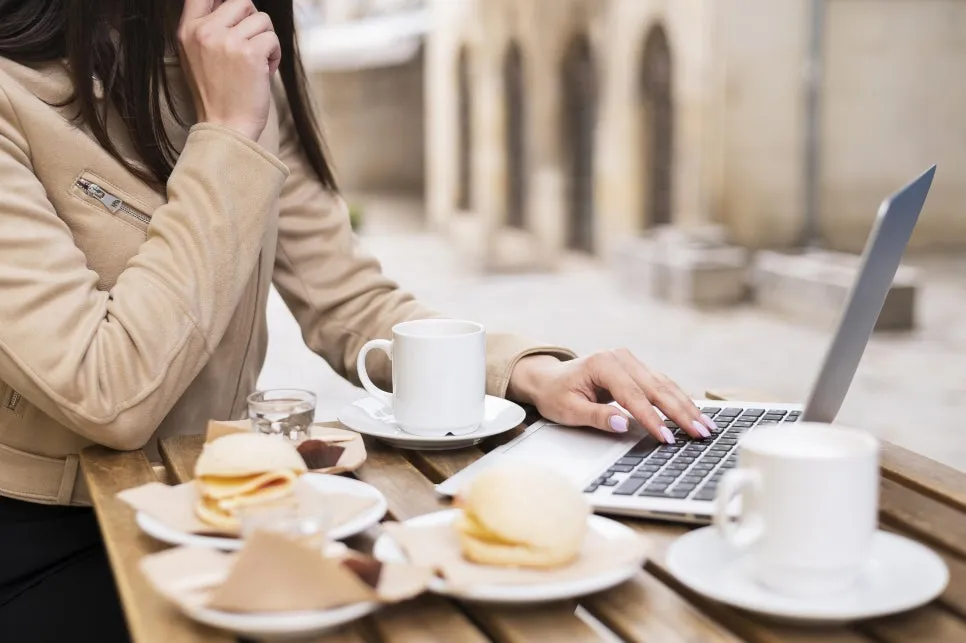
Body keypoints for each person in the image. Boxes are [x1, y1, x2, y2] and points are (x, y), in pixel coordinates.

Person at [0, 0, 715, 640]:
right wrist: (227, 133)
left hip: (224, 507)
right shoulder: (25, 94)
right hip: (52, 532)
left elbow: (349, 300)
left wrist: (530, 372)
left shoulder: (230, 69)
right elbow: (106, 390)